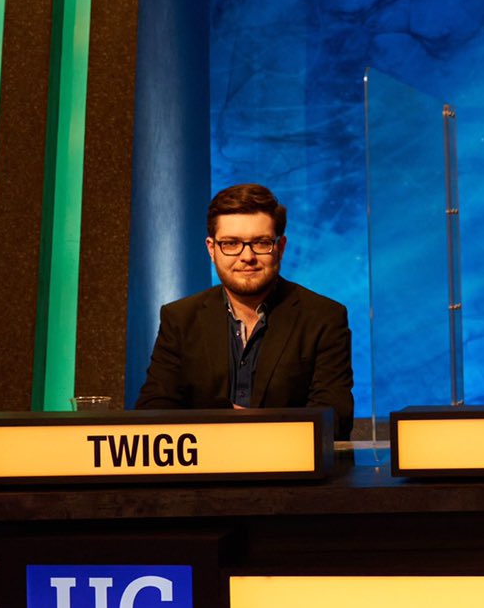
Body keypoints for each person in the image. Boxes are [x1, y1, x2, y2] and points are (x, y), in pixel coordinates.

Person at [135, 182, 354, 437]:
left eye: (261, 243)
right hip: (203, 472)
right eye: (230, 243)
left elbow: (334, 419)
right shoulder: (180, 318)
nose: (247, 256)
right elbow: (154, 410)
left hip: (292, 473)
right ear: (211, 249)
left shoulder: (324, 317)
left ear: (280, 248)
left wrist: (253, 432)